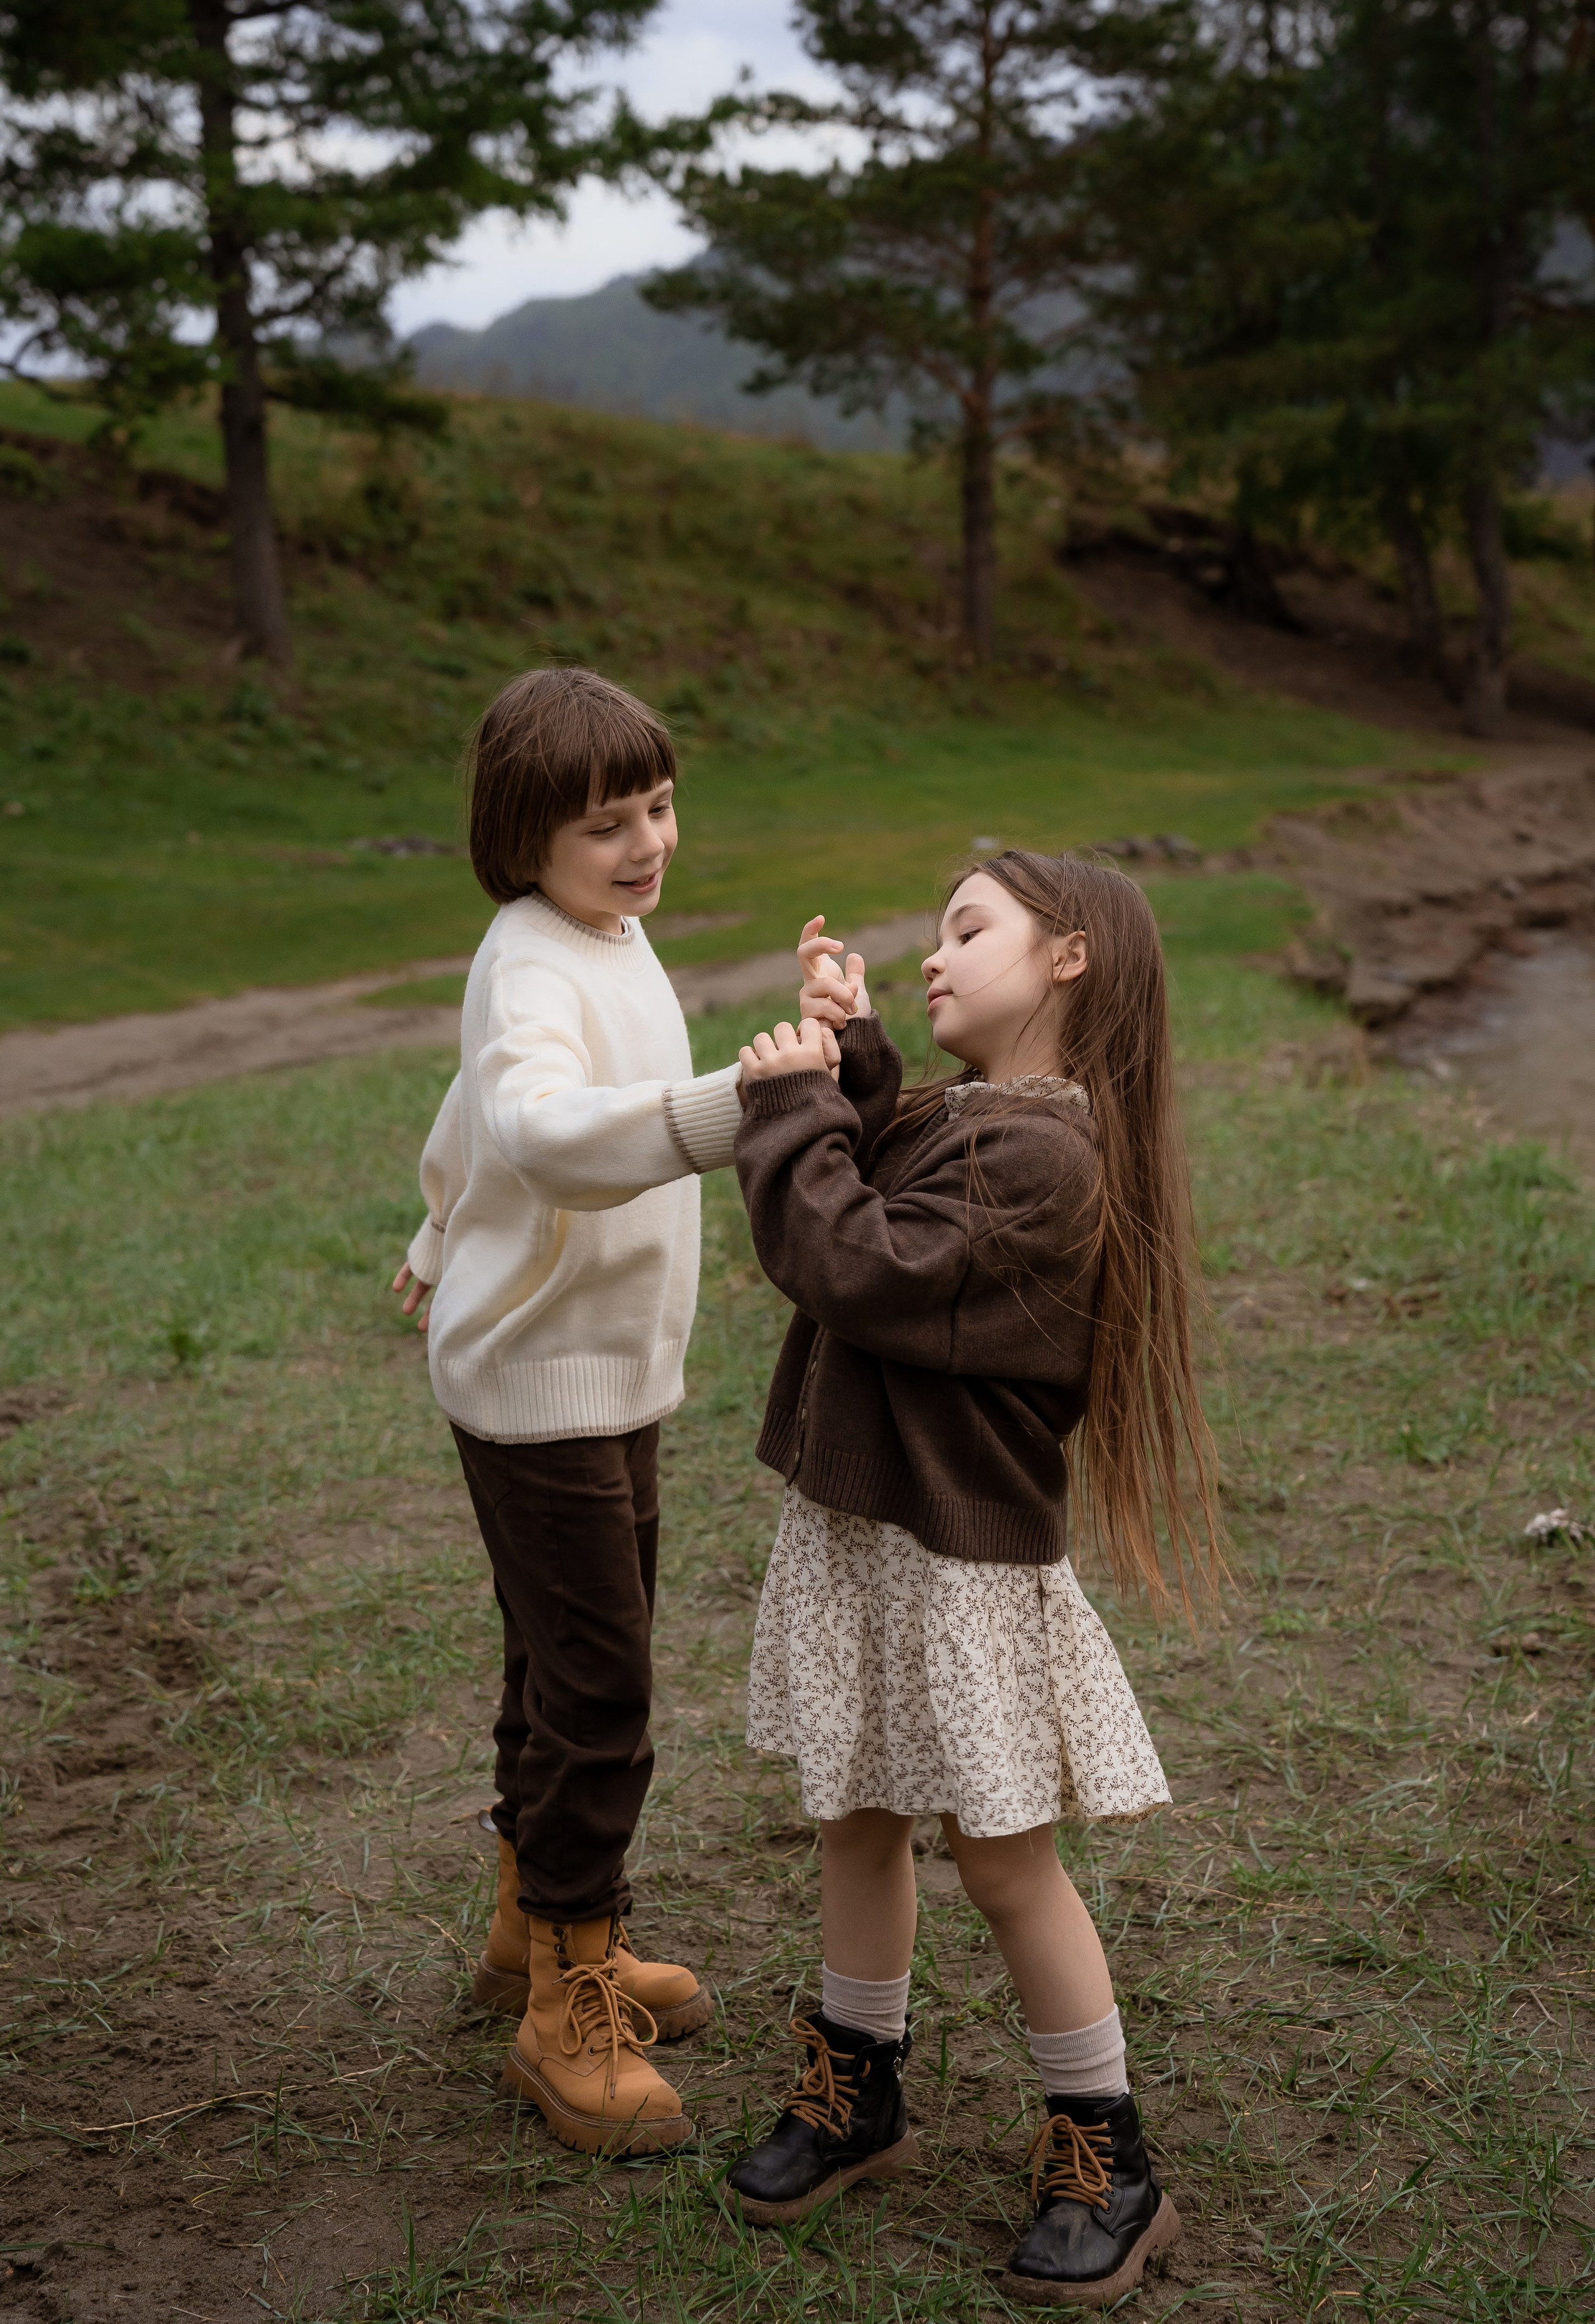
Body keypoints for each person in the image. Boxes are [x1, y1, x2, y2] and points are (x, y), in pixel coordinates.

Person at [723, 852, 1222, 2308]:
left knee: (1003, 1861)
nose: (933, 954)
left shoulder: (1048, 1155)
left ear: (1068, 957)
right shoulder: (979, 1116)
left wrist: (786, 1109)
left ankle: (1104, 2153)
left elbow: (869, 1265)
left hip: (959, 1562)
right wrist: (852, 1059)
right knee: (856, 1812)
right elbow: (895, 1165)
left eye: (966, 928)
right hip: (870, 1531)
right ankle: (854, 2087)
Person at [393, 667, 745, 2158]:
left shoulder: (606, 934)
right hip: (534, 1381)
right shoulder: (529, 959)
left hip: (609, 1373)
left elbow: (467, 1110)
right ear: (521, 837)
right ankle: (565, 2006)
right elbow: (531, 1124)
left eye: (656, 807)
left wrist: (433, 1227)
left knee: (559, 1661)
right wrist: (730, 1109)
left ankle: (526, 1932)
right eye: (606, 825)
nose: (644, 843)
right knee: (601, 1688)